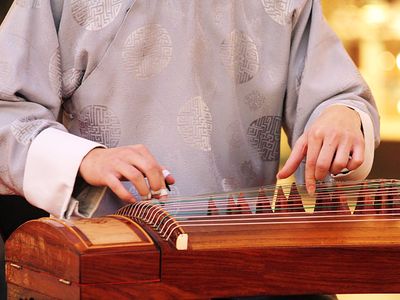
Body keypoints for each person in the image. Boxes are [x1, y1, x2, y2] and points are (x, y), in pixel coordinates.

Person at [0, 0, 378, 298]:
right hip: (109, 260)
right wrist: (87, 157)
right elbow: (7, 110)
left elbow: (334, 96)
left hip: (245, 258)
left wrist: (341, 116)